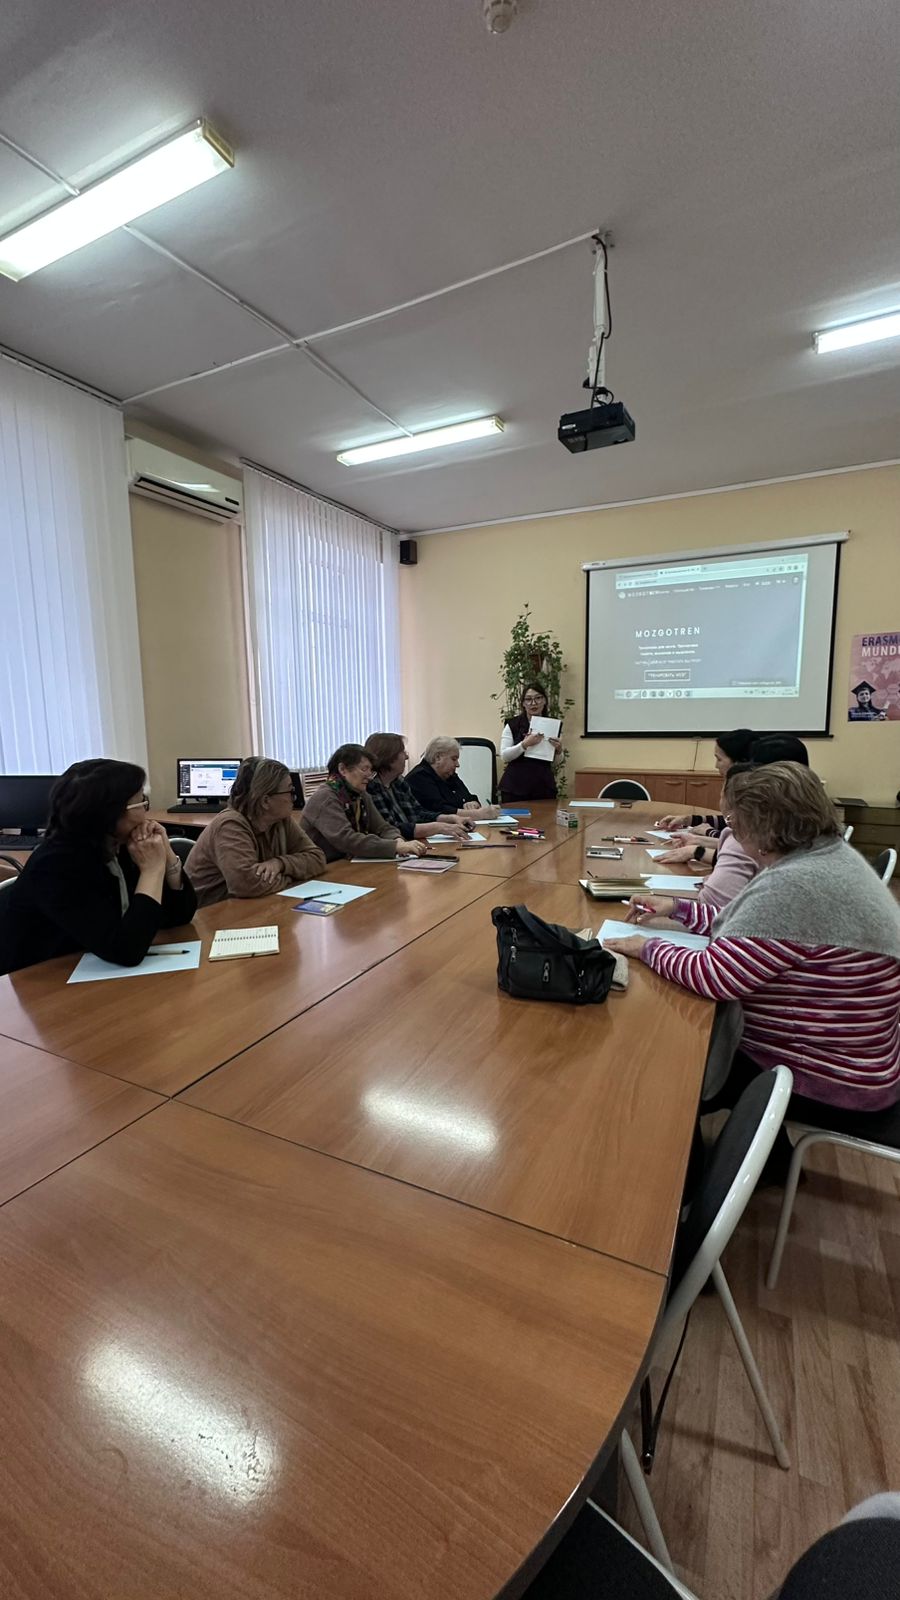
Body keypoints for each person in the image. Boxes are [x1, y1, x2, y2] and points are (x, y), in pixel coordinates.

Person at [604, 763, 900, 1137]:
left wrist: (647, 947)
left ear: (762, 828)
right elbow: (754, 929)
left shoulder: (795, 884)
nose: (731, 833)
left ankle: (689, 1167)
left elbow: (713, 977)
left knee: (660, 1066)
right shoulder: (826, 857)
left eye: (734, 823)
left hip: (825, 1079)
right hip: (860, 1061)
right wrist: (679, 909)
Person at [0, 759, 197, 975]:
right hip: (44, 979)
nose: (145, 811)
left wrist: (166, 855)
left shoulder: (120, 844)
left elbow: (179, 916)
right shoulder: (56, 865)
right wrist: (152, 871)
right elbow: (126, 950)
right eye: (141, 802)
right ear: (111, 813)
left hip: (96, 967)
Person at [184, 757, 326, 907]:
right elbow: (246, 885)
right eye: (290, 791)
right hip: (209, 913)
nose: (294, 798)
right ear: (265, 801)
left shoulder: (281, 820)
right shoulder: (230, 825)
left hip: (252, 905)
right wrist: (293, 876)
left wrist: (280, 864)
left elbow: (317, 858)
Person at [302, 744, 428, 862]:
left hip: (349, 862)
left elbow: (383, 827)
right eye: (364, 769)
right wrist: (394, 846)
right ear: (342, 769)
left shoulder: (361, 795)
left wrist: (398, 840)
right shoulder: (326, 797)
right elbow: (347, 840)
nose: (369, 776)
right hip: (326, 865)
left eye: (370, 770)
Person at [365, 734, 470, 842]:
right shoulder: (370, 787)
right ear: (389, 757)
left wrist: (450, 818)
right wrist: (439, 827)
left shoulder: (399, 782)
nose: (407, 757)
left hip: (411, 843)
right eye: (403, 752)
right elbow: (390, 829)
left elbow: (418, 813)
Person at [657, 728, 755, 831]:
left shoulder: (751, 793)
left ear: (739, 763)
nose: (716, 765)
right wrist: (688, 820)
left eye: (719, 759)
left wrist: (708, 833)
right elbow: (731, 822)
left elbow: (740, 837)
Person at [498, 683, 562, 803]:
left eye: (538, 698)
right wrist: (524, 744)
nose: (533, 703)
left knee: (546, 815)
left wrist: (559, 750)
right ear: (523, 703)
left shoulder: (552, 725)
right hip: (515, 787)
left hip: (543, 786)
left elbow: (556, 762)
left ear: (544, 701)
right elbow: (505, 756)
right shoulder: (512, 725)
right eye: (528, 699)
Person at [406, 738, 500, 819]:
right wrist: (478, 814)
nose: (457, 764)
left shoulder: (449, 775)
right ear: (438, 758)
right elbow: (439, 810)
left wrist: (473, 803)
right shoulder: (419, 777)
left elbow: (469, 796)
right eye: (454, 759)